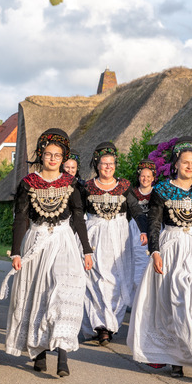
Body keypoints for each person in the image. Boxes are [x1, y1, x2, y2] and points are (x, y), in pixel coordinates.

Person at [0, 128, 93, 377]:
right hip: (36, 240)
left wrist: (86, 250)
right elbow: (20, 218)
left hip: (64, 241)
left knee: (63, 292)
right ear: (41, 155)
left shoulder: (71, 183)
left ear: (64, 158)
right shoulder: (28, 184)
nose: (53, 159)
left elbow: (78, 217)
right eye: (48, 154)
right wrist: (16, 252)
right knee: (36, 294)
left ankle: (62, 355)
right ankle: (39, 353)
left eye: (58, 155)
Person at [128, 137, 192, 380]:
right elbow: (154, 222)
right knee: (176, 302)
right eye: (185, 162)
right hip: (172, 248)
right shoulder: (161, 190)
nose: (190, 166)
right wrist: (155, 251)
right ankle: (176, 359)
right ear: (176, 164)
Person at [81, 141, 146, 346]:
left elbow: (135, 209)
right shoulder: (88, 187)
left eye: (111, 164)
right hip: (95, 236)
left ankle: (111, 324)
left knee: (118, 280)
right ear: (97, 165)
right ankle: (101, 326)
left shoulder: (124, 187)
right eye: (104, 164)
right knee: (96, 281)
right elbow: (78, 213)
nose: (108, 167)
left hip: (119, 237)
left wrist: (144, 229)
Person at [128, 160, 157, 294]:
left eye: (148, 176)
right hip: (136, 230)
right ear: (139, 177)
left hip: (153, 227)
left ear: (153, 178)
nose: (145, 179)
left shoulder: (157, 194)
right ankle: (137, 295)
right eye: (142, 176)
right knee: (138, 261)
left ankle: (151, 294)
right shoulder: (132, 193)